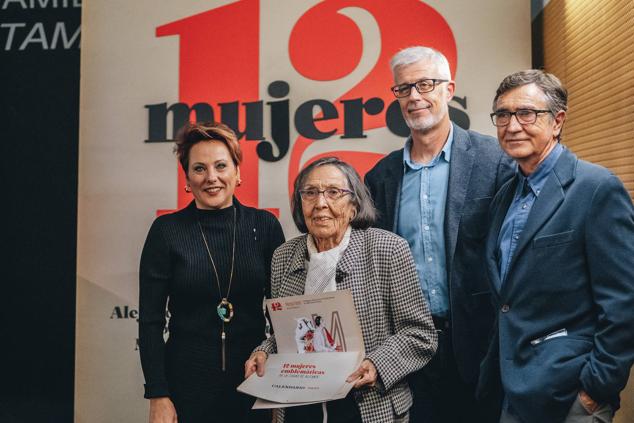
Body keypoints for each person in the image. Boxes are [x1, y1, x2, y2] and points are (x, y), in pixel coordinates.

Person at [364, 46, 514, 422]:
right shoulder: (381, 178)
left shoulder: (494, 160)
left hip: (481, 344)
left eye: (426, 85)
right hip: (409, 348)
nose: (414, 97)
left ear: (449, 89)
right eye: (404, 88)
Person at [477, 69, 634, 423]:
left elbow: (624, 303)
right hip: (511, 390)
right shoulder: (505, 195)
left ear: (557, 121)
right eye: (503, 115)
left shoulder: (595, 189)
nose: (512, 125)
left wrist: (595, 390)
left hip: (569, 395)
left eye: (526, 114)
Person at [245, 157, 437, 422]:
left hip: (366, 406)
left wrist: (377, 365)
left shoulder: (388, 250)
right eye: (310, 193)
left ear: (353, 205)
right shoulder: (284, 256)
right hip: (300, 407)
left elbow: (420, 334)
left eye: (333, 192)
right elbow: (284, 335)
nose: (320, 203)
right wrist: (263, 351)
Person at [138, 122, 285, 423]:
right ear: (187, 179)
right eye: (199, 169)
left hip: (254, 382)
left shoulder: (266, 227)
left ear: (237, 172)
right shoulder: (166, 232)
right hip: (185, 389)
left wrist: (280, 387)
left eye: (221, 166)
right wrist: (158, 394)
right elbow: (151, 322)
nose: (212, 178)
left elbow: (282, 313)